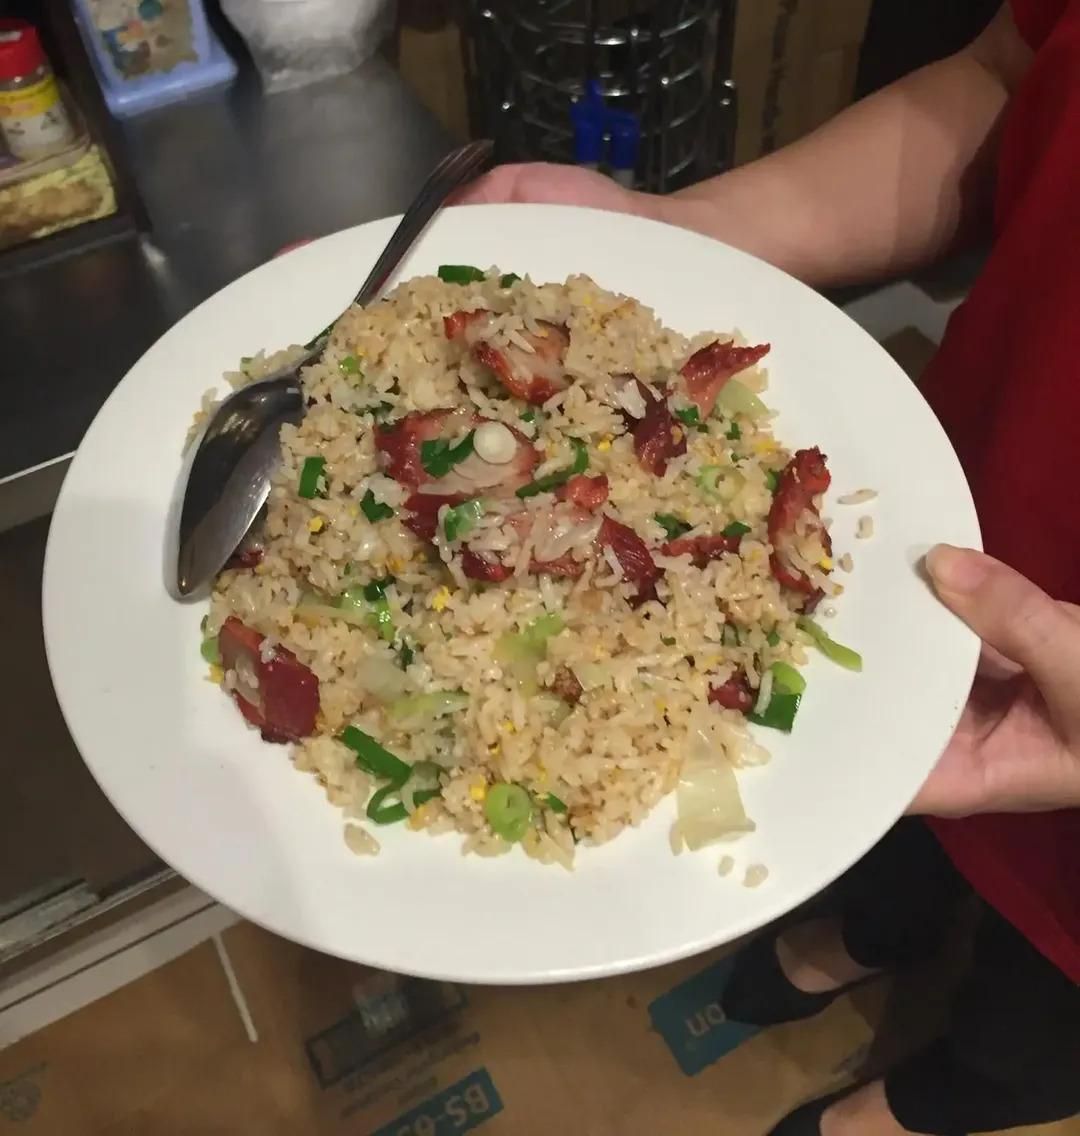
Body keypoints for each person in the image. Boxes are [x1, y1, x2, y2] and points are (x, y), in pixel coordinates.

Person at [457, 2, 1080, 1133]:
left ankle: (924, 1103)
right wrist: (686, 227)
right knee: (900, 829)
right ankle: (869, 938)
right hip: (944, 542)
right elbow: (1012, 75)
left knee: (1034, 1011)